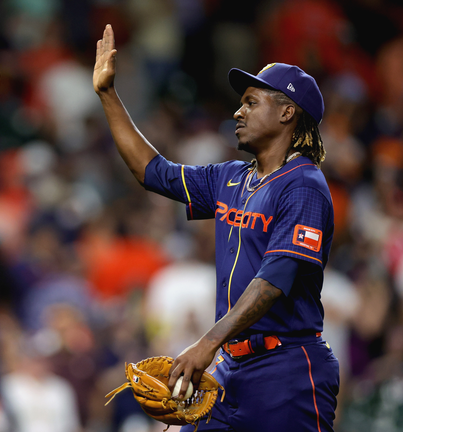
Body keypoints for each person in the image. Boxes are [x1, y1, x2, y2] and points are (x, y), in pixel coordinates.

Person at [93, 25, 339, 431]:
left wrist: (206, 343)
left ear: (286, 112)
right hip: (228, 368)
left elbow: (274, 279)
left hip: (287, 369)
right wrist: (107, 94)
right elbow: (154, 172)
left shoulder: (304, 184)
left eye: (251, 102)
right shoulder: (230, 178)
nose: (237, 112)